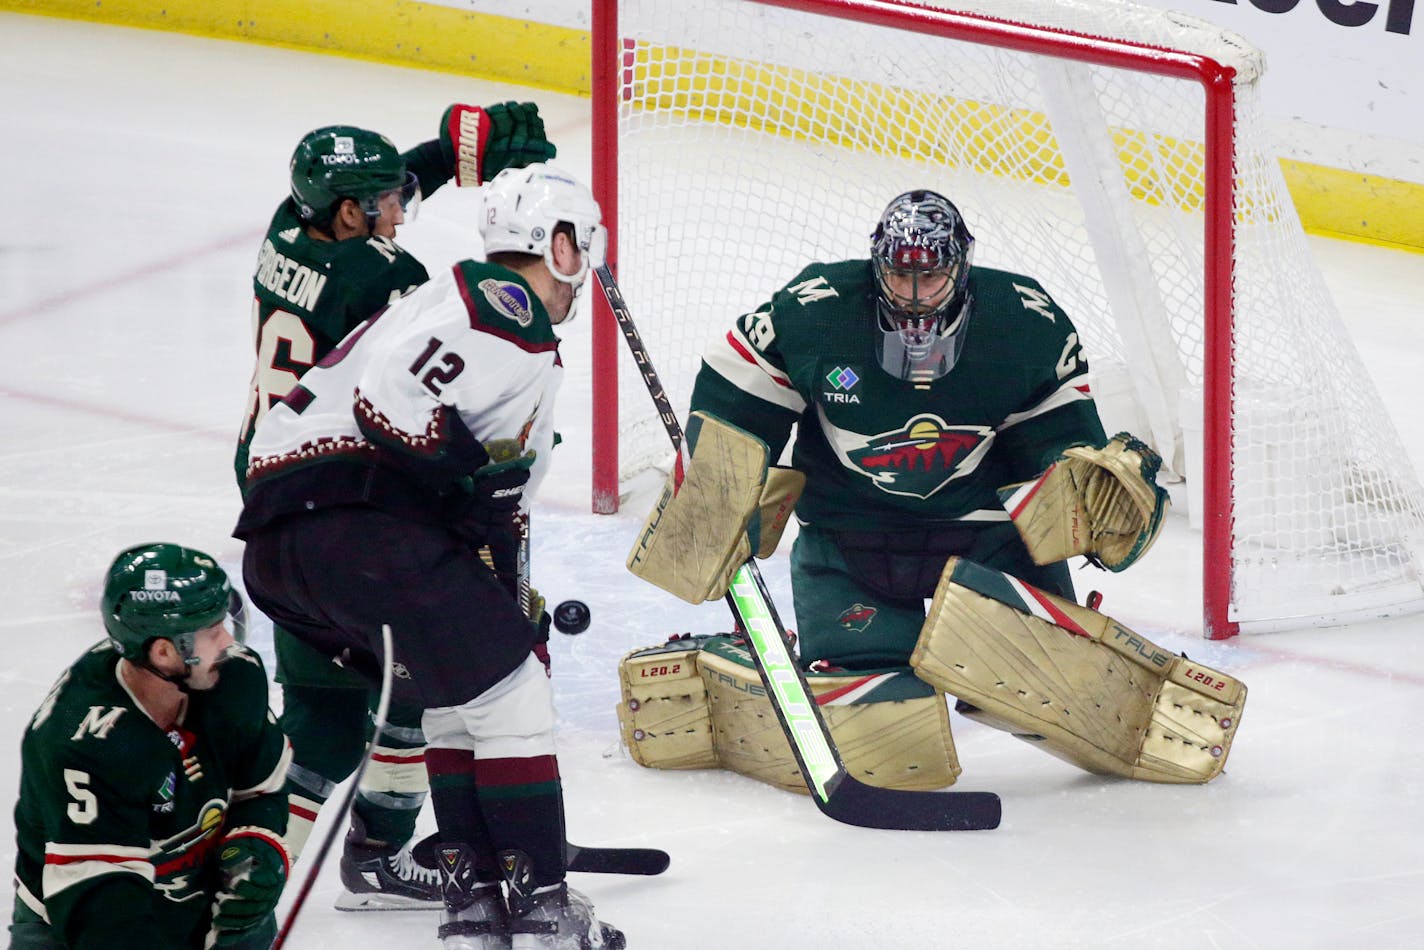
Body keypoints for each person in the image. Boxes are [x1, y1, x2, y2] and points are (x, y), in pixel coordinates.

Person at [620, 189, 1245, 792]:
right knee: (880, 730)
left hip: (986, 543)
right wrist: (718, 484)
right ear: (877, 264)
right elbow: (739, 381)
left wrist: (1084, 488)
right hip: (853, 544)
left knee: (1061, 687)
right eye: (899, 277)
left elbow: (1055, 443)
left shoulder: (1022, 322)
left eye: (932, 278)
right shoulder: (820, 311)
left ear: (961, 268)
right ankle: (729, 670)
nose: (915, 297)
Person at [234, 163, 624, 949]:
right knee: (513, 699)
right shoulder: (503, 306)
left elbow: (498, 513)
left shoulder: (446, 302)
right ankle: (542, 906)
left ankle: (475, 900)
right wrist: (460, 489)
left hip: (285, 544)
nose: (586, 272)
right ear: (552, 245)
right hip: (364, 528)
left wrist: (510, 603)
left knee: (457, 696)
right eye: (581, 248)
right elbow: (392, 404)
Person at [10, 544, 291, 949]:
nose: (229, 641)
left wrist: (256, 844)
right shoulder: (89, 742)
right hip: (79, 922)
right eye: (212, 631)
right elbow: (102, 904)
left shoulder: (233, 678)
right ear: (164, 651)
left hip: (195, 899)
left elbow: (261, 789)